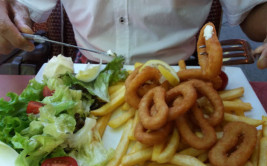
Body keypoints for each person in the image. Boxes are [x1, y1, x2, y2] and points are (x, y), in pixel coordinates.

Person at [0, 0, 266, 69]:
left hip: (184, 73)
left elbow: (253, 12)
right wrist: (10, 16)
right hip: (88, 72)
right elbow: (23, 8)